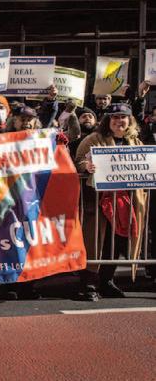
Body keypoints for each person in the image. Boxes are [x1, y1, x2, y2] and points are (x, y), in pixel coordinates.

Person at [75, 103, 147, 301]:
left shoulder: (135, 142)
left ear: (130, 121)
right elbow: (79, 160)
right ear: (108, 120)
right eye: (115, 117)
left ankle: (107, 280)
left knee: (118, 241)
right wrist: (86, 166)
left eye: (123, 117)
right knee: (95, 241)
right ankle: (89, 284)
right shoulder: (93, 139)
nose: (119, 121)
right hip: (98, 201)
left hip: (125, 203)